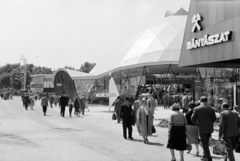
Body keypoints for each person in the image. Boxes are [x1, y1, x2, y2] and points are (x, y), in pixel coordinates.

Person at [191, 96, 216, 161]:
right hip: (209, 128)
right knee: (206, 143)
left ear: (200, 101)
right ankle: (205, 156)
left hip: (202, 128)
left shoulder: (197, 108)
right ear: (207, 101)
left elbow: (192, 118)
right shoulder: (211, 109)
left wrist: (196, 123)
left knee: (205, 144)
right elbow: (214, 119)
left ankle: (209, 158)